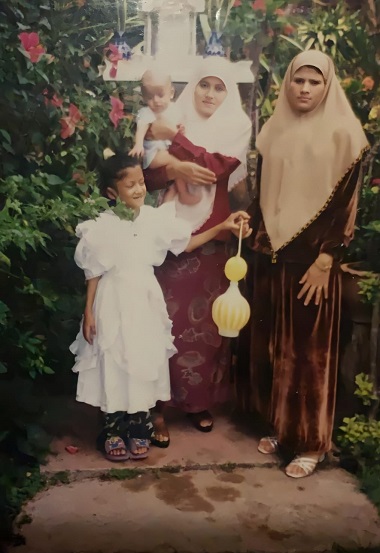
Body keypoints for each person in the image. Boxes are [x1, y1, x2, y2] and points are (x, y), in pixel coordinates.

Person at [70, 151, 250, 462]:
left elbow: (187, 243)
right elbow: (94, 272)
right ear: (112, 193)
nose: (139, 189)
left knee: (143, 358)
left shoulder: (155, 220)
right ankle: (113, 430)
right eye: (130, 185)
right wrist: (88, 312)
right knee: (115, 358)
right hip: (112, 300)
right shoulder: (101, 227)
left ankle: (139, 426)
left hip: (145, 299)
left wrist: (224, 224)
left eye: (141, 182)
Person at [240, 50, 369, 478]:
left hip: (313, 259)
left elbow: (346, 205)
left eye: (314, 82)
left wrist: (329, 255)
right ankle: (283, 428)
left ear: (327, 85)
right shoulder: (275, 131)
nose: (305, 89)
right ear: (288, 84)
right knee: (277, 347)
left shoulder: (344, 135)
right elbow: (265, 193)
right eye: (299, 81)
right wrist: (251, 223)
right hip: (271, 254)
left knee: (310, 355)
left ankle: (312, 443)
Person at [142, 57, 252, 445]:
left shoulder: (237, 125)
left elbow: (218, 168)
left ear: (230, 93)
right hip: (169, 232)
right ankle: (156, 405)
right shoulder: (172, 115)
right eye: (203, 84)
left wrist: (179, 146)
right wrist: (175, 168)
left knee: (205, 324)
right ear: (192, 87)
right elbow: (150, 174)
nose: (210, 94)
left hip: (213, 235)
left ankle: (197, 401)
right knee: (163, 320)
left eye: (219, 87)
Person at [129, 69, 200, 206]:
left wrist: (180, 130)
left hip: (167, 150)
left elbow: (176, 130)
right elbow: (142, 128)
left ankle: (167, 206)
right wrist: (138, 144)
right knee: (181, 165)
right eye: (150, 97)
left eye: (160, 95)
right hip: (154, 154)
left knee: (174, 181)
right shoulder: (146, 112)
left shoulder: (174, 110)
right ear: (143, 97)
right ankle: (185, 194)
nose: (156, 101)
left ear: (171, 93)